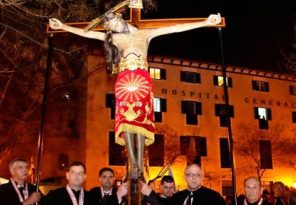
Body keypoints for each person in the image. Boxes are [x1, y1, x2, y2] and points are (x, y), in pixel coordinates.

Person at [49, 9, 221, 180]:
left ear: (120, 18)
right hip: (124, 81)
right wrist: (63, 26)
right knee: (126, 121)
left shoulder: (146, 33)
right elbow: (90, 34)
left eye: (113, 23)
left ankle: (139, 164)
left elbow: (175, 28)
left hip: (142, 81)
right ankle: (133, 164)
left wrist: (205, 22)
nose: (113, 27)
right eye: (109, 26)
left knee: (140, 120)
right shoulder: (116, 38)